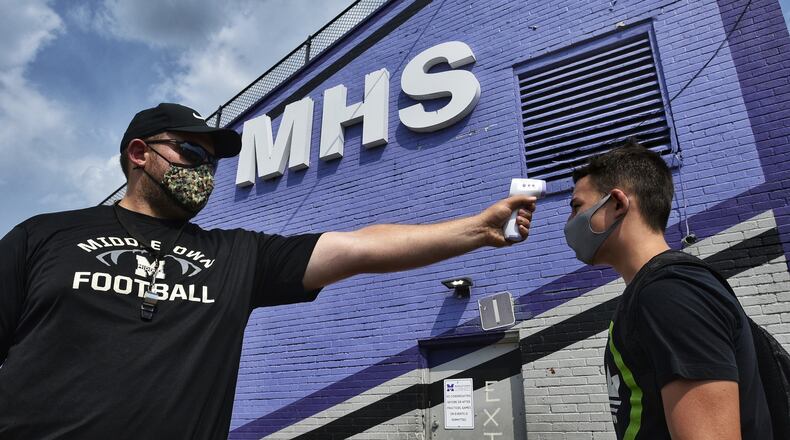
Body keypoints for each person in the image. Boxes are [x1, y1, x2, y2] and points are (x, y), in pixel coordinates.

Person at [0, 103, 537, 439]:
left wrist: (476, 230)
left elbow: (358, 247)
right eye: (191, 153)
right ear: (139, 153)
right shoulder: (45, 236)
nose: (204, 172)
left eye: (212, 162)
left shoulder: (238, 255)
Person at [564, 139, 772, 439]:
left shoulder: (669, 293)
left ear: (618, 203)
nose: (570, 223)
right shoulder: (654, 291)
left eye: (576, 207)